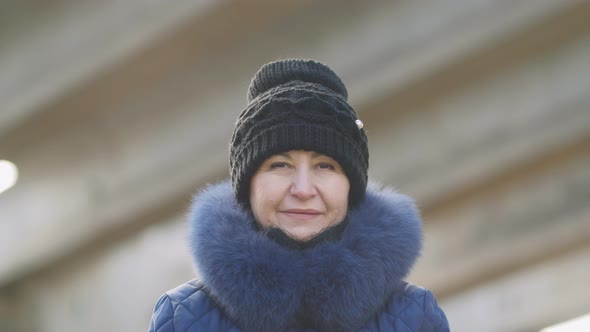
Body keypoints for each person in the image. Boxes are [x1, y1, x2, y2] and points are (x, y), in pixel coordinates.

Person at [148, 59, 450, 331]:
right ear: (247, 186)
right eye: (280, 165)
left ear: (350, 188)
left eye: (325, 166)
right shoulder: (183, 318)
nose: (303, 190)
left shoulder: (414, 316)